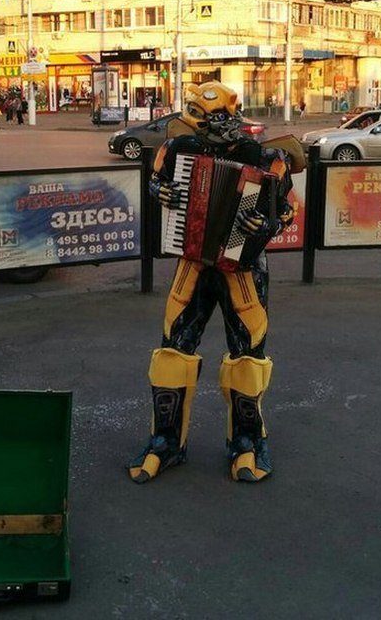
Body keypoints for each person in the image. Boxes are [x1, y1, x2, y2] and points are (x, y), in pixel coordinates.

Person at [127, 80, 304, 484]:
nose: (203, 128)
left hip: (242, 271)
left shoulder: (264, 157)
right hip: (193, 264)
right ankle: (165, 442)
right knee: (172, 354)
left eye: (210, 119)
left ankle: (247, 443)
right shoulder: (177, 150)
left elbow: (286, 212)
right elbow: (156, 183)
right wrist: (163, 192)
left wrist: (266, 224)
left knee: (247, 360)